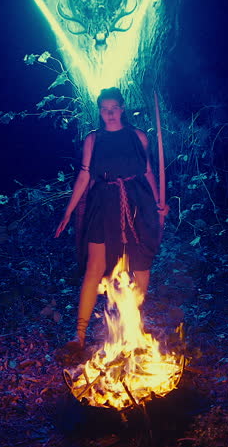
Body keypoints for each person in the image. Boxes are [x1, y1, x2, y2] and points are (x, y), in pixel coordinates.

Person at [54, 87, 168, 352]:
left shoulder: (138, 137)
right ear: (100, 111)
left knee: (140, 264)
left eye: (114, 108)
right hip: (103, 203)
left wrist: (160, 203)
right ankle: (79, 336)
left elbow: (148, 172)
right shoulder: (93, 140)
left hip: (137, 202)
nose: (110, 114)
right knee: (95, 266)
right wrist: (68, 211)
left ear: (122, 108)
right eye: (104, 109)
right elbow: (84, 177)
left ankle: (131, 326)